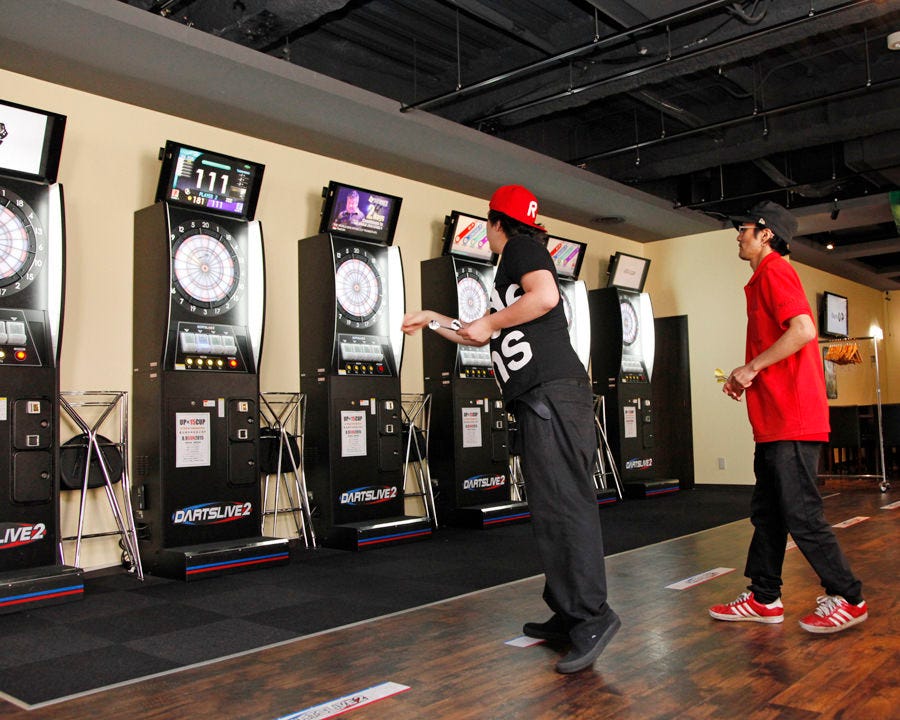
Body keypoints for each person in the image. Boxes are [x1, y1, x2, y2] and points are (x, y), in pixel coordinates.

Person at [402, 184, 619, 673]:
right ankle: (568, 612)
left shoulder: (521, 249)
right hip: (543, 399)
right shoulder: (513, 272)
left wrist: (490, 321)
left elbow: (544, 297)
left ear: (495, 223)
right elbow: (477, 333)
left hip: (552, 395)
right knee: (550, 508)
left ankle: (592, 617)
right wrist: (432, 319)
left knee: (565, 507)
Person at [710, 200, 868, 634]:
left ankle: (849, 597)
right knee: (769, 513)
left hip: (792, 420)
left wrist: (751, 367)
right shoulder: (761, 277)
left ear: (765, 234)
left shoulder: (775, 271)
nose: (738, 235)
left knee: (801, 514)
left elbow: (804, 330)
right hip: (773, 421)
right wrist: (747, 376)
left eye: (743, 228)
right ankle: (764, 598)